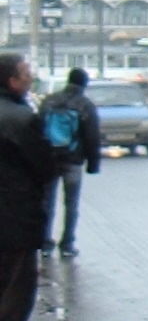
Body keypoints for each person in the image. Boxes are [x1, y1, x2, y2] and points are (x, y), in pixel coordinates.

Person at [0, 54, 57, 321]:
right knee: (16, 284)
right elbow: (44, 165)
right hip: (14, 215)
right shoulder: (21, 119)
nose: (30, 78)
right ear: (12, 81)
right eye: (25, 73)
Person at [37, 67, 101, 258]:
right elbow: (92, 136)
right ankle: (67, 244)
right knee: (71, 204)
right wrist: (93, 164)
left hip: (48, 159)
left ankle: (45, 243)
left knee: (47, 202)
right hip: (73, 160)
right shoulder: (85, 105)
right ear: (84, 84)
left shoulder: (49, 101)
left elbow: (37, 129)